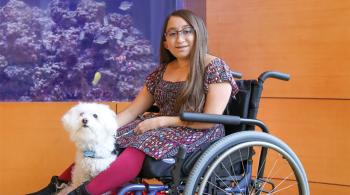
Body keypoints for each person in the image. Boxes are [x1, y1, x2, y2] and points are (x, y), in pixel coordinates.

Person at [28, 9, 238, 195]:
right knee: (112, 138)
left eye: (186, 31)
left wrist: (161, 121)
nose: (179, 39)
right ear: (165, 41)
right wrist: (103, 129)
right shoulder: (161, 72)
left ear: (198, 33)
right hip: (163, 129)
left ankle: (82, 193)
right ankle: (58, 185)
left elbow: (210, 119)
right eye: (172, 33)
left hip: (199, 132)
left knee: (141, 143)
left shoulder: (214, 67)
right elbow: (131, 112)